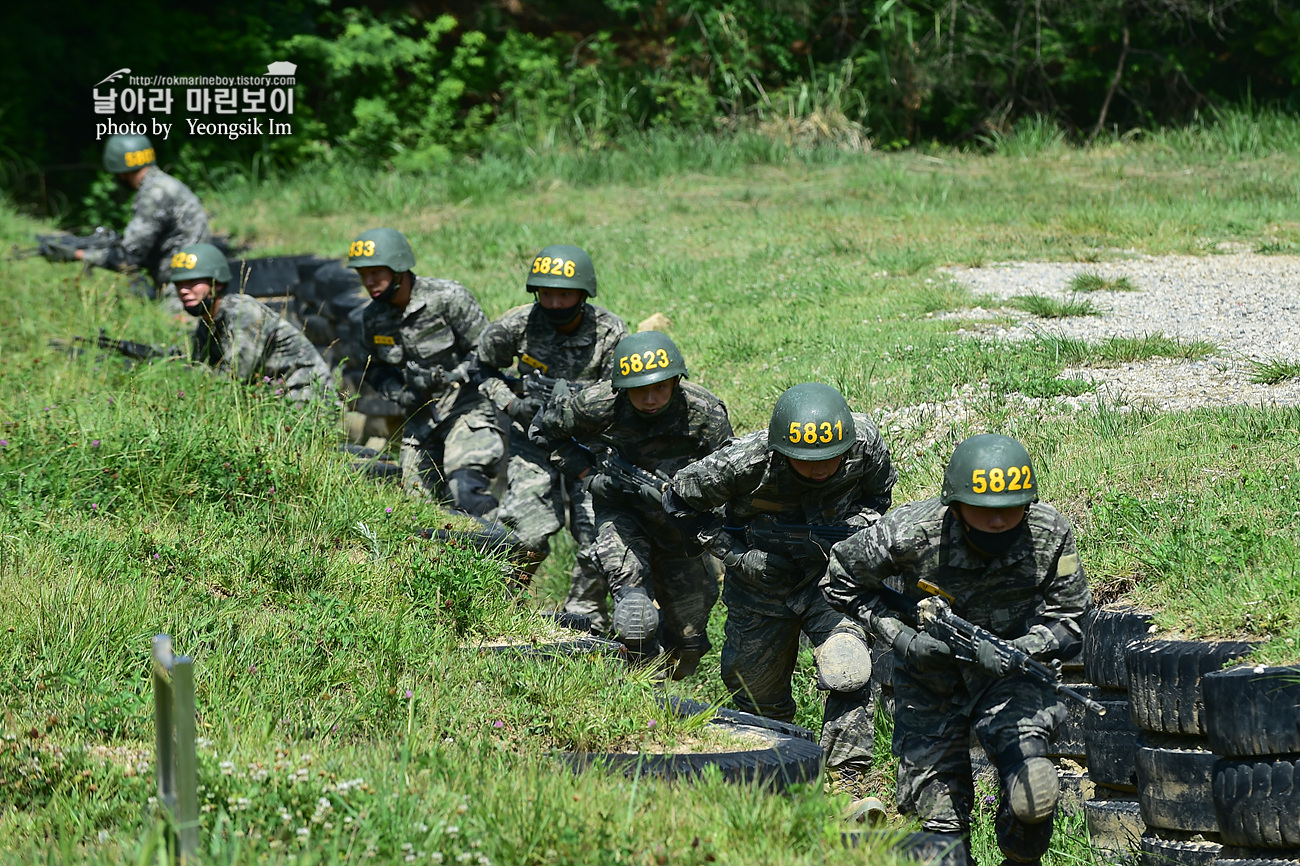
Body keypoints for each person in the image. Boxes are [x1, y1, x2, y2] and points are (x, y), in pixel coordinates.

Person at [821, 434, 1092, 866]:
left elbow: (1072, 617)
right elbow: (839, 580)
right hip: (930, 684)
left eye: (1011, 508)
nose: (1000, 521)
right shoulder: (911, 531)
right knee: (939, 841)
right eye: (985, 510)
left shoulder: (1048, 533)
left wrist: (1016, 648)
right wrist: (902, 637)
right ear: (956, 504)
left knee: (1034, 794)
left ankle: (1019, 855)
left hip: (1011, 678)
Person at [661, 382, 896, 788]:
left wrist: (847, 538)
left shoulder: (866, 444)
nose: (821, 469)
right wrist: (737, 556)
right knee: (755, 696)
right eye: (807, 461)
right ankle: (773, 777)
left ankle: (847, 781)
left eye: (831, 458)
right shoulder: (742, 463)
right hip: (759, 588)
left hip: (831, 581)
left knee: (850, 668)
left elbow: (879, 500)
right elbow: (678, 500)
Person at [531, 331, 733, 675]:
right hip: (620, 513)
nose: (650, 398)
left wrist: (698, 508)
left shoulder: (705, 413)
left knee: (688, 643)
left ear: (675, 382)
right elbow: (544, 431)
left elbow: (730, 477)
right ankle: (633, 689)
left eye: (660, 388)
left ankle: (666, 684)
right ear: (622, 388)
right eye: (639, 390)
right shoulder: (595, 404)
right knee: (635, 615)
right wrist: (588, 476)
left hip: (683, 529)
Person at [476, 244, 628, 629]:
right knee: (525, 528)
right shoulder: (516, 325)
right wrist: (514, 406)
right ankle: (499, 605)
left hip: (591, 447)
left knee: (597, 533)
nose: (556, 303)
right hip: (533, 443)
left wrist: (578, 411)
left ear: (584, 294)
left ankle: (585, 615)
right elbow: (483, 369)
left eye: (565, 294)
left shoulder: (610, 333)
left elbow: (625, 396)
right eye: (547, 294)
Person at [347, 228, 504, 516]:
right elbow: (375, 368)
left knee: (466, 491)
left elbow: (487, 352)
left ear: (398, 268)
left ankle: (504, 555)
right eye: (362, 274)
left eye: (375, 272)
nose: (369, 282)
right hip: (419, 417)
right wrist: (400, 393)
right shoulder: (373, 317)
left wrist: (453, 375)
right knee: (417, 509)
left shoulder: (447, 297)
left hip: (466, 409)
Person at [171, 243, 333, 403]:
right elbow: (200, 371)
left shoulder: (243, 313)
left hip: (307, 397)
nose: (183, 290)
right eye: (179, 284)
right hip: (270, 396)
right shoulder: (206, 322)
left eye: (192, 282)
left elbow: (234, 377)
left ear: (217, 282)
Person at [78, 134, 211, 295]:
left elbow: (128, 257)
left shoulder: (154, 193)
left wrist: (79, 254)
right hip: (193, 280)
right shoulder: (165, 184)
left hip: (182, 288)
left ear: (122, 173)